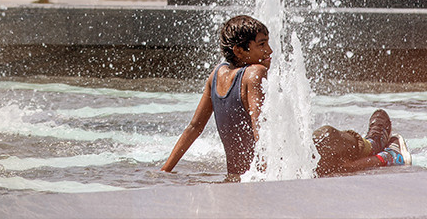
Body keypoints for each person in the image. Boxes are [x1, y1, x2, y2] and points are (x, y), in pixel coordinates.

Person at [161, 15, 411, 179]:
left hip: (252, 172)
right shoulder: (254, 73)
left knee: (325, 157)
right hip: (268, 170)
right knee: (326, 142)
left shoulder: (216, 75)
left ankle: (381, 148)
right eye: (261, 45)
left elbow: (194, 127)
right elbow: (261, 129)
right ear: (239, 50)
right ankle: (381, 150)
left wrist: (164, 170)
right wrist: (267, 177)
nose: (269, 51)